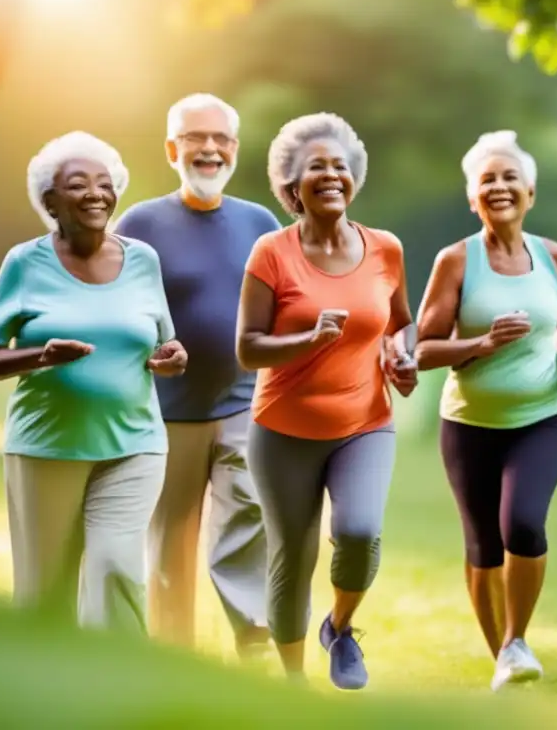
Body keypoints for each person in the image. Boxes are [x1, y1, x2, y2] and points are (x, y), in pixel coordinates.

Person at [0, 131, 188, 631]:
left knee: (116, 569)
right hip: (47, 447)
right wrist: (41, 355)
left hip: (134, 443)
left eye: (104, 183)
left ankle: (117, 690)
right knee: (45, 593)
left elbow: (164, 344)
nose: (95, 192)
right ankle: (43, 693)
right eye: (77, 184)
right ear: (50, 201)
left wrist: (171, 358)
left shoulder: (143, 260)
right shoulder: (25, 263)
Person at [235, 112, 417, 690]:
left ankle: (339, 628)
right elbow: (247, 348)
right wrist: (306, 340)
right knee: (294, 555)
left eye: (341, 166)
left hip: (365, 422)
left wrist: (402, 356)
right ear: (293, 184)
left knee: (360, 531)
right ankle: (293, 686)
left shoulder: (385, 249)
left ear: (354, 178)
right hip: (282, 430)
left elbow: (401, 324)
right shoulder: (271, 252)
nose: (332, 175)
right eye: (318, 167)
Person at [414, 130, 557, 692]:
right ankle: (505, 658)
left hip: (545, 412)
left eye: (510, 177)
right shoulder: (455, 262)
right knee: (483, 546)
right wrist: (481, 344)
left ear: (531, 192)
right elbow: (423, 349)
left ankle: (516, 639)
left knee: (524, 523)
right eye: (487, 180)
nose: (499, 186)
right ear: (473, 198)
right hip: (468, 424)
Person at [113, 93, 279, 657]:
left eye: (221, 140)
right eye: (194, 139)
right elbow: (117, 305)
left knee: (250, 516)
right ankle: (172, 655)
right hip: (165, 411)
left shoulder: (260, 222)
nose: (209, 149)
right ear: (171, 149)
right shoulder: (140, 222)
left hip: (243, 403)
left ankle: (255, 637)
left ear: (234, 149)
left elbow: (286, 304)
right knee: (169, 543)